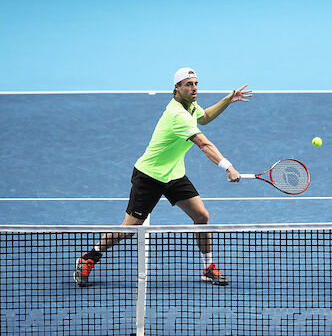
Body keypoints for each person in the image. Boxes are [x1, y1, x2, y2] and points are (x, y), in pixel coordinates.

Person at [74, 67, 252, 286]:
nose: (194, 87)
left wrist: (227, 100)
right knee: (130, 229)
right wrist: (228, 166)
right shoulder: (177, 115)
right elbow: (204, 144)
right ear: (176, 88)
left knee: (202, 217)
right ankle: (89, 257)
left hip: (174, 174)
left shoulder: (189, 107)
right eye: (188, 84)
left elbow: (204, 117)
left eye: (196, 83)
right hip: (150, 176)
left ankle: (208, 268)